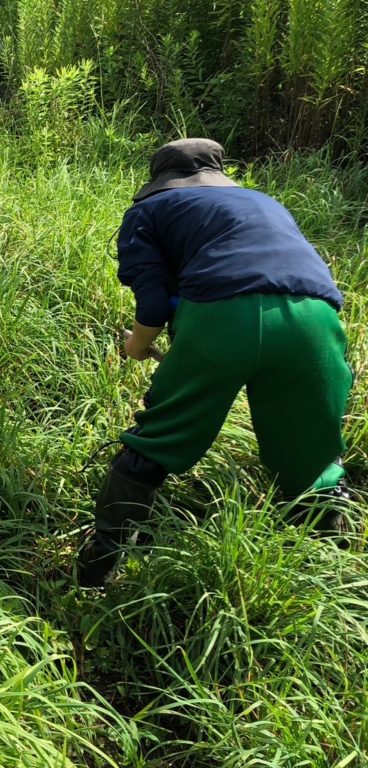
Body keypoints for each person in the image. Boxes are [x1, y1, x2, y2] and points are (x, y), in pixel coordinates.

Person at [76, 138, 354, 588]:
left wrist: (136, 345)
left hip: (220, 319)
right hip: (314, 319)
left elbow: (151, 304)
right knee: (315, 459)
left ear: (159, 180)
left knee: (157, 442)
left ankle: (96, 570)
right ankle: (326, 585)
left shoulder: (148, 212)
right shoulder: (264, 202)